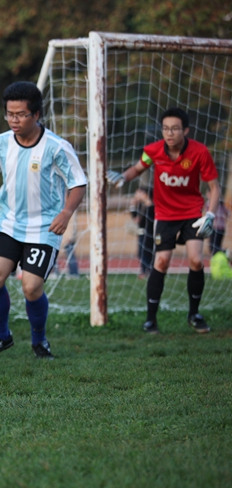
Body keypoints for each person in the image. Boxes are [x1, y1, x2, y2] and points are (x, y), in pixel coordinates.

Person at [0, 81, 87, 360]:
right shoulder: (0, 143)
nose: (14, 120)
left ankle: (39, 341)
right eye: (10, 114)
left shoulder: (57, 147)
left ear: (36, 114)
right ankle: (2, 337)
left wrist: (66, 213)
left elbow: (78, 183)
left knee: (31, 287)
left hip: (43, 229)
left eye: (20, 114)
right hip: (8, 225)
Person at [108, 107, 220, 334]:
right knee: (161, 262)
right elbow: (138, 168)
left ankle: (194, 315)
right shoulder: (153, 151)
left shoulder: (200, 152)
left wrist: (210, 214)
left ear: (185, 130)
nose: (169, 133)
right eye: (166, 129)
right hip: (165, 215)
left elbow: (214, 187)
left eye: (175, 129)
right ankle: (151, 320)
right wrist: (123, 177)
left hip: (192, 213)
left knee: (196, 260)